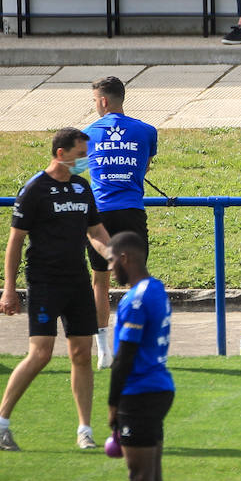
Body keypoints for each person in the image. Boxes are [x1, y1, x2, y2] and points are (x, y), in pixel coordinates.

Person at [0, 128, 113, 451]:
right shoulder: (35, 190)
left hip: (78, 282)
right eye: (80, 154)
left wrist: (114, 255)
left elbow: (95, 229)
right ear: (61, 154)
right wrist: (9, 289)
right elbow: (15, 242)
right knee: (41, 353)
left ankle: (85, 430)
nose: (86, 160)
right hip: (45, 283)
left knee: (82, 354)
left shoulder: (82, 188)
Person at [100, 231, 174, 481]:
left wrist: (113, 405)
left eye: (112, 261)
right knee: (153, 475)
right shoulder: (156, 288)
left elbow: (124, 357)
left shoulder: (135, 300)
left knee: (140, 478)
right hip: (159, 386)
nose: (110, 268)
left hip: (139, 392)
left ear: (126, 258)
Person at [84, 76, 159, 371]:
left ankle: (103, 351)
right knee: (136, 281)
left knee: (100, 280)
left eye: (94, 101)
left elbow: (76, 170)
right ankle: (134, 345)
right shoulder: (147, 131)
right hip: (131, 211)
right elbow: (145, 167)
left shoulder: (86, 134)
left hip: (99, 215)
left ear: (103, 101)